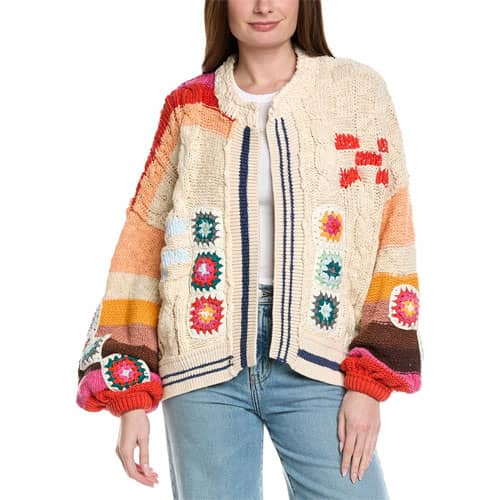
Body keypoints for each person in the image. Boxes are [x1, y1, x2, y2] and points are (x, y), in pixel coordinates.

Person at [76, 0, 423, 498]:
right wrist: (130, 392)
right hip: (200, 359)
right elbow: (143, 239)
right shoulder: (190, 106)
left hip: (321, 356)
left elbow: (393, 231)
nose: (263, 6)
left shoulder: (356, 92)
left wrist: (371, 381)